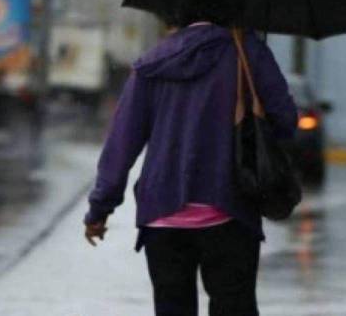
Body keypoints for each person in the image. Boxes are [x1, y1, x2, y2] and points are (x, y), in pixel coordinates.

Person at [84, 21, 297, 316]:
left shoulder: (152, 61)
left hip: (162, 214)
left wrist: (99, 209)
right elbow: (286, 122)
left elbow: (121, 143)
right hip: (231, 210)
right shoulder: (248, 52)